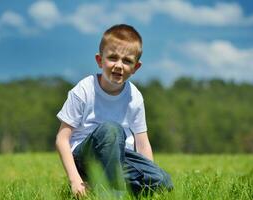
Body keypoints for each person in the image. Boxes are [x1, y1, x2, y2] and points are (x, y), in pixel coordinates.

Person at [55, 24, 173, 197]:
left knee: (163, 181)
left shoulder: (135, 96)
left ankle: (100, 186)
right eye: (113, 58)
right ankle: (111, 194)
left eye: (127, 61)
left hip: (121, 158)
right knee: (112, 129)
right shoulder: (84, 89)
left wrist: (148, 172)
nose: (119, 65)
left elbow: (142, 143)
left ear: (135, 68)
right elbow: (62, 139)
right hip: (87, 158)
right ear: (99, 60)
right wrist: (75, 180)